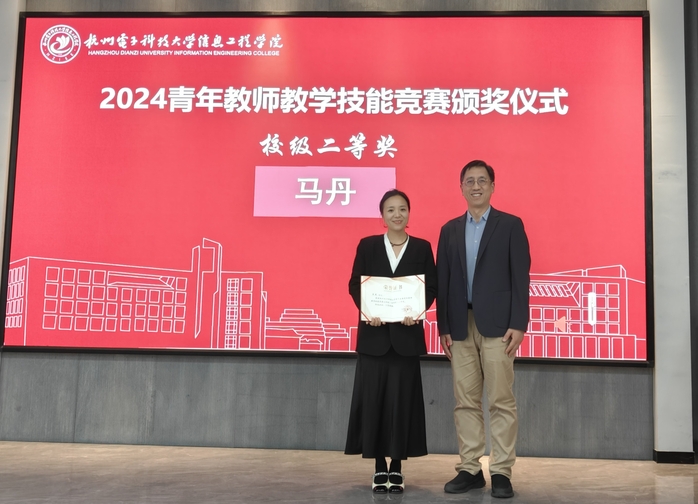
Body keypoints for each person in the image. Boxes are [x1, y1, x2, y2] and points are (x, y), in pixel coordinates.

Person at [436, 160, 530, 499]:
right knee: (465, 402)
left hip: (499, 326)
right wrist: (443, 325)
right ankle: (470, 469)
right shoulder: (449, 230)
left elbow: (520, 277)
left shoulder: (511, 225)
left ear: (492, 186)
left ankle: (501, 471)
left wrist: (519, 322)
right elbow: (443, 281)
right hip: (460, 325)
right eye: (469, 181)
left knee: (501, 401)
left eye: (482, 181)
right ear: (461, 187)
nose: (475, 186)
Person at [345, 189, 437, 494]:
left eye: (402, 209)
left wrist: (417, 311)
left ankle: (396, 466)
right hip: (374, 339)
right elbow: (355, 283)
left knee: (402, 403)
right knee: (374, 403)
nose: (397, 214)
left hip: (406, 339)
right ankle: (378, 467)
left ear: (409, 213)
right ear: (382, 216)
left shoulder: (422, 247)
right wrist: (368, 311)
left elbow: (431, 286)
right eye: (390, 210)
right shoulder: (368, 245)